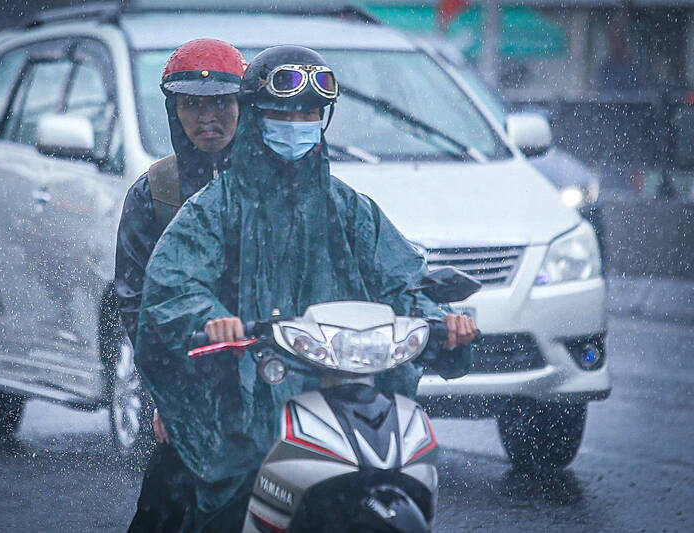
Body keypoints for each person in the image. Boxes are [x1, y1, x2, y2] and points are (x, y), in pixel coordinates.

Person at [134, 45, 477, 532]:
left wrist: (441, 324)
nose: (297, 123)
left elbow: (400, 283)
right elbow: (172, 287)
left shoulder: (350, 208)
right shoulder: (214, 208)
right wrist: (209, 319)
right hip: (242, 402)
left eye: (310, 113)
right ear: (255, 117)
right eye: (283, 112)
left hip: (344, 393)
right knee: (219, 499)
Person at [114, 38, 246, 533]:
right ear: (174, 109)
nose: (207, 117)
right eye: (192, 103)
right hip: (189, 387)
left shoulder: (275, 184)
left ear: (243, 106)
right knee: (169, 505)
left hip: (271, 370)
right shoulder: (154, 193)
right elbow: (135, 304)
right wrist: (171, 397)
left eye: (221, 103)